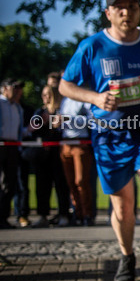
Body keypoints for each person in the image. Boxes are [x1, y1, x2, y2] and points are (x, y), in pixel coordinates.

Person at [59, 0, 140, 281]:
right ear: (109, 13)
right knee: (123, 205)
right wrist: (95, 98)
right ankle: (126, 257)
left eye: (133, 6)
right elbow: (65, 86)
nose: (127, 12)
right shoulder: (92, 46)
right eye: (120, 7)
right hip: (108, 136)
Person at [26, 84, 72, 227]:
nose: (46, 98)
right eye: (44, 95)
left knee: (61, 184)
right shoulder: (39, 112)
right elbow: (30, 130)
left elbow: (67, 129)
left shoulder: (61, 111)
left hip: (58, 153)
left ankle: (63, 214)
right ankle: (43, 215)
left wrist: (59, 123)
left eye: (49, 94)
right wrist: (41, 123)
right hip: (42, 155)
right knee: (42, 185)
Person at [56, 89, 96, 226]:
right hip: (66, 142)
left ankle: (87, 214)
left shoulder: (84, 99)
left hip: (80, 143)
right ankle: (77, 213)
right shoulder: (64, 100)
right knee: (71, 183)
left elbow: (92, 120)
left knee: (81, 181)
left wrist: (70, 119)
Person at [0, 79, 26, 228]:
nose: (17, 91)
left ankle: (3, 217)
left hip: (13, 146)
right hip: (1, 144)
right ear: (4, 88)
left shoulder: (17, 107)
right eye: (14, 87)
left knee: (9, 183)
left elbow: (19, 130)